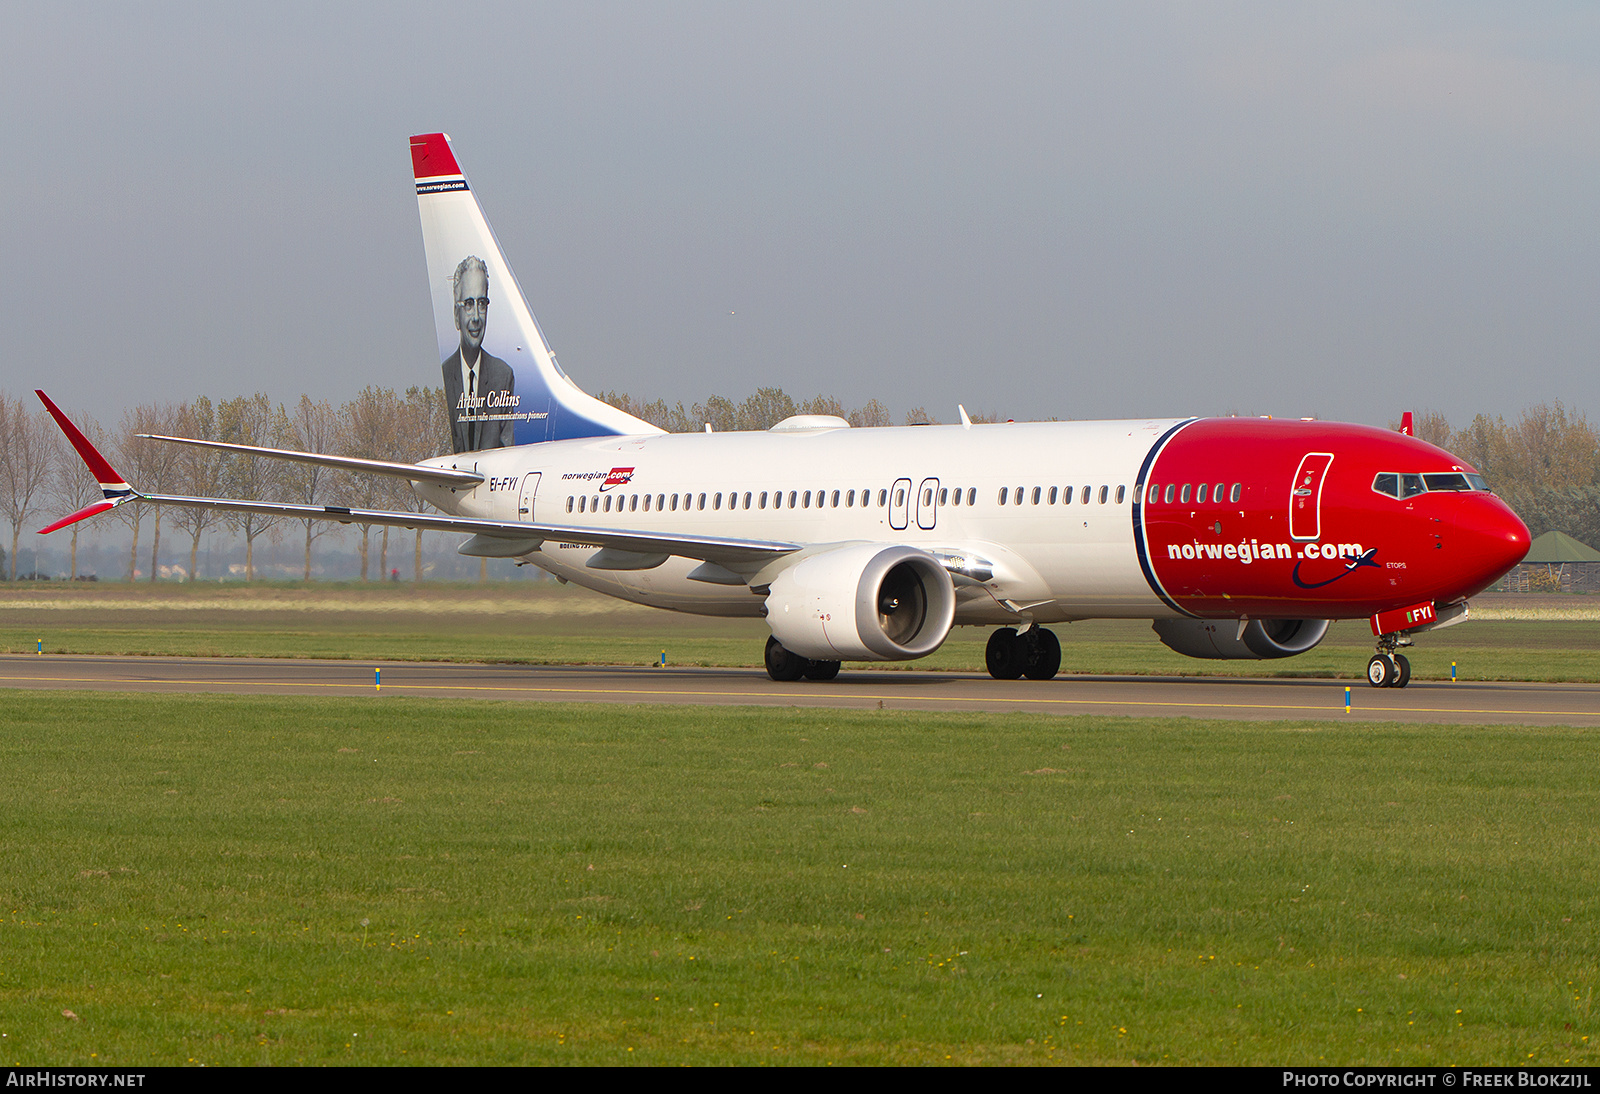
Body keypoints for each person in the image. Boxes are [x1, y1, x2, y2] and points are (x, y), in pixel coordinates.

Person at [440, 256, 517, 452]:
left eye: (481, 304)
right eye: (468, 304)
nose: (476, 317)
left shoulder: (503, 375)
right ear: (456, 316)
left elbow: (507, 448)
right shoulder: (445, 374)